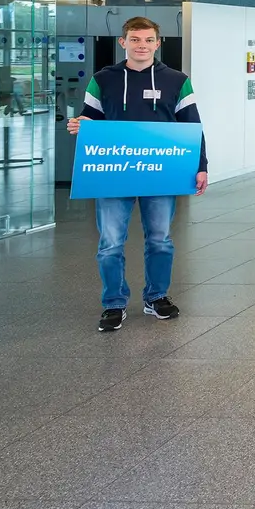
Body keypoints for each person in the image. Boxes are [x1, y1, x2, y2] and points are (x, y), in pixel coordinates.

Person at [67, 16, 208, 333]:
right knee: (110, 243)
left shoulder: (176, 80)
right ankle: (113, 303)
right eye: (134, 39)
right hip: (114, 171)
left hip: (161, 171)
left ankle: (156, 296)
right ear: (123, 42)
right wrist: (80, 125)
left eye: (148, 40)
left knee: (160, 240)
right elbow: (90, 120)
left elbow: (191, 126)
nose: (141, 45)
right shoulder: (103, 79)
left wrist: (201, 166)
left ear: (158, 44)